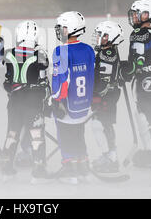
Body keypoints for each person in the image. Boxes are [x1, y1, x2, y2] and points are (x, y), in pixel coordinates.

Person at [0, 20, 53, 184]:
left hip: (15, 103)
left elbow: (7, 82)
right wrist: (48, 103)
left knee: (12, 134)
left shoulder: (9, 53)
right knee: (36, 135)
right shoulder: (40, 55)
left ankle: (6, 170)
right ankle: (38, 171)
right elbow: (44, 84)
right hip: (33, 102)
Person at [47, 11, 95, 184]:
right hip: (83, 106)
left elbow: (63, 80)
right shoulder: (89, 50)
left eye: (62, 27)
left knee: (65, 136)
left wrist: (56, 100)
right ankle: (83, 167)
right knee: (78, 134)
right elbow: (91, 77)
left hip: (67, 106)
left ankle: (70, 171)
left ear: (72, 28)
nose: (59, 30)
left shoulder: (61, 50)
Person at [120, 0, 151, 168]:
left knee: (145, 116)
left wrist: (126, 72)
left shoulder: (141, 34)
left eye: (138, 14)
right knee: (148, 115)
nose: (134, 17)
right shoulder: (150, 32)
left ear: (148, 15)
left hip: (147, 80)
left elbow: (138, 61)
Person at [90, 20, 124, 174]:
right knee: (104, 125)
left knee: (101, 125)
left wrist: (97, 96)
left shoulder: (107, 53)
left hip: (106, 97)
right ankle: (110, 156)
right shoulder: (109, 51)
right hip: (108, 95)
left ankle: (111, 158)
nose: (98, 38)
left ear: (111, 37)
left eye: (102, 36)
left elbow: (104, 79)